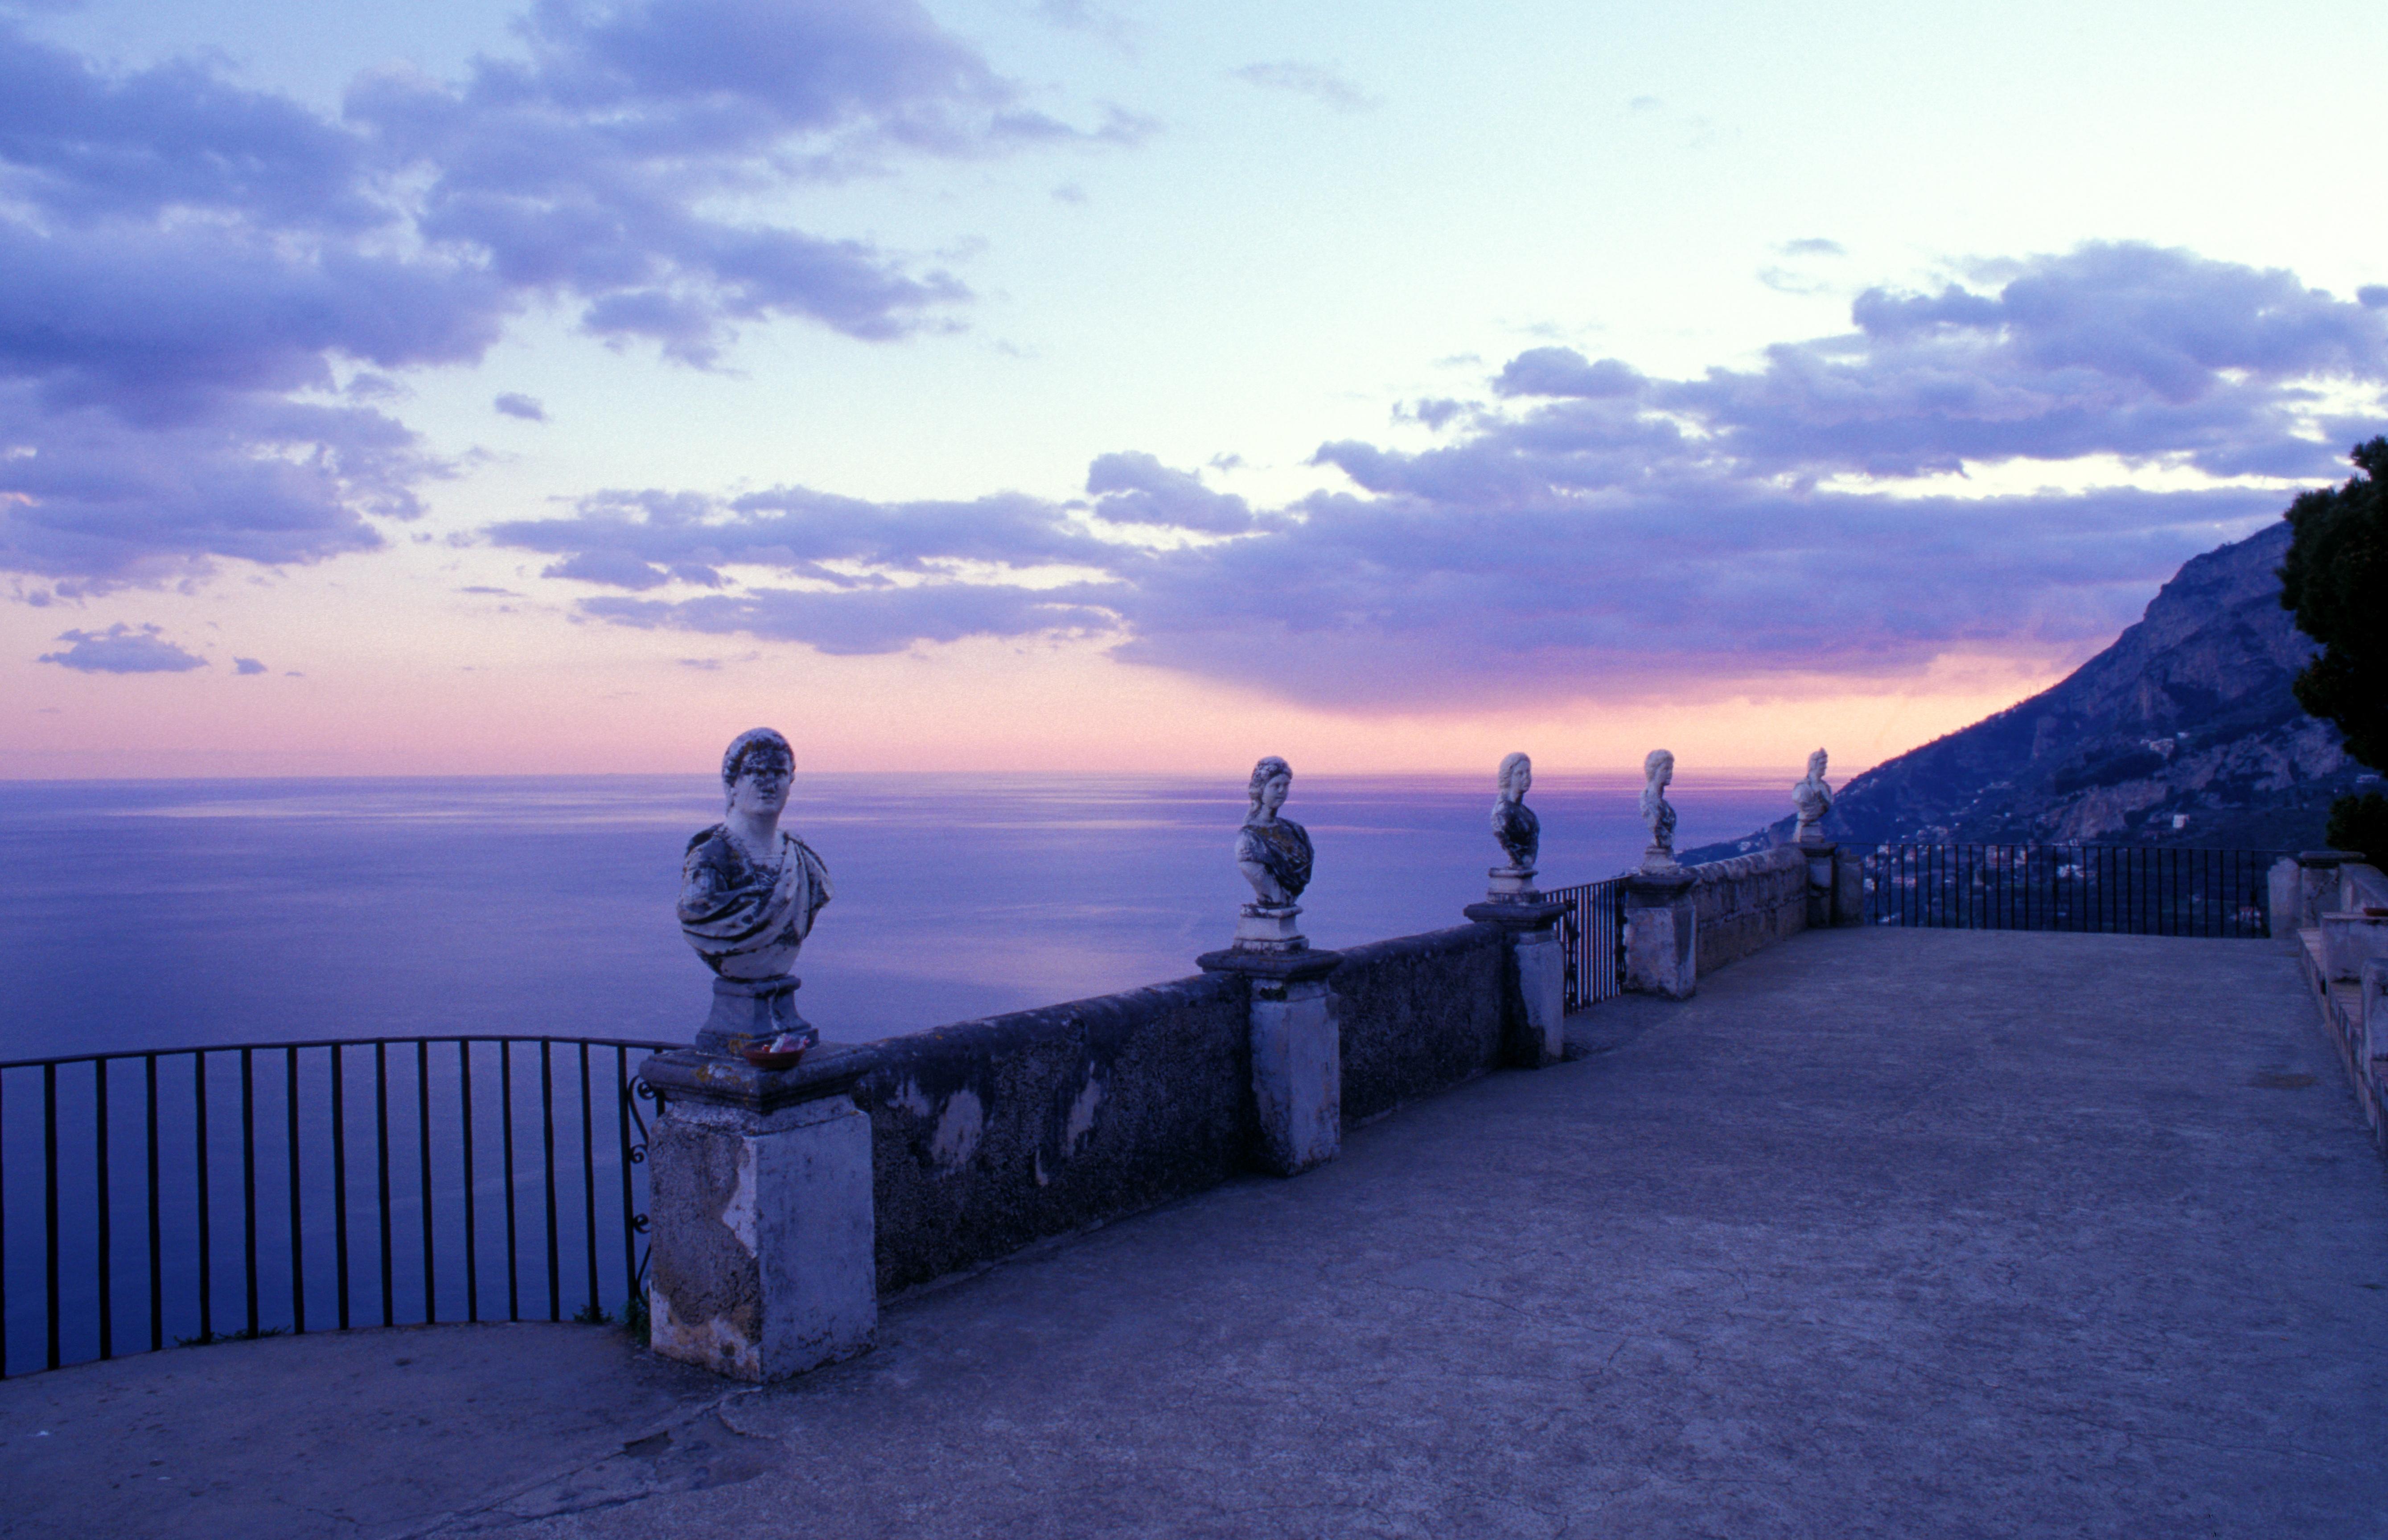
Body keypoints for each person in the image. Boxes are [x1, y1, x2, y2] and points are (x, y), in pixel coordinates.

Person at [678, 727, 832, 980]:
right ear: (732, 785)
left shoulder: (802, 859)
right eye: (757, 772)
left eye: (779, 773)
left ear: (790, 783)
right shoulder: (710, 861)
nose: (769, 784)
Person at [1236, 756, 1313, 908]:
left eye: (1286, 785)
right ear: (1261, 789)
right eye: (1276, 785)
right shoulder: (1250, 839)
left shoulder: (1297, 831)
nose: (1282, 791)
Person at [1492, 752, 1538, 872]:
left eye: (1528, 772)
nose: (1526, 778)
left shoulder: (1529, 815)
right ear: (1509, 778)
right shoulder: (1502, 814)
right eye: (1520, 774)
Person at [1640, 748, 1678, 870]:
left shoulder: (1663, 804)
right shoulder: (1649, 801)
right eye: (1666, 770)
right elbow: (1655, 824)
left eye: (1671, 769)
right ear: (1654, 771)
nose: (1670, 774)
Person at [1793, 748, 1833, 842]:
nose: (1825, 767)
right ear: (1814, 764)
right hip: (1804, 829)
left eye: (1826, 764)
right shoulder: (1802, 788)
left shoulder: (1826, 788)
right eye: (1822, 764)